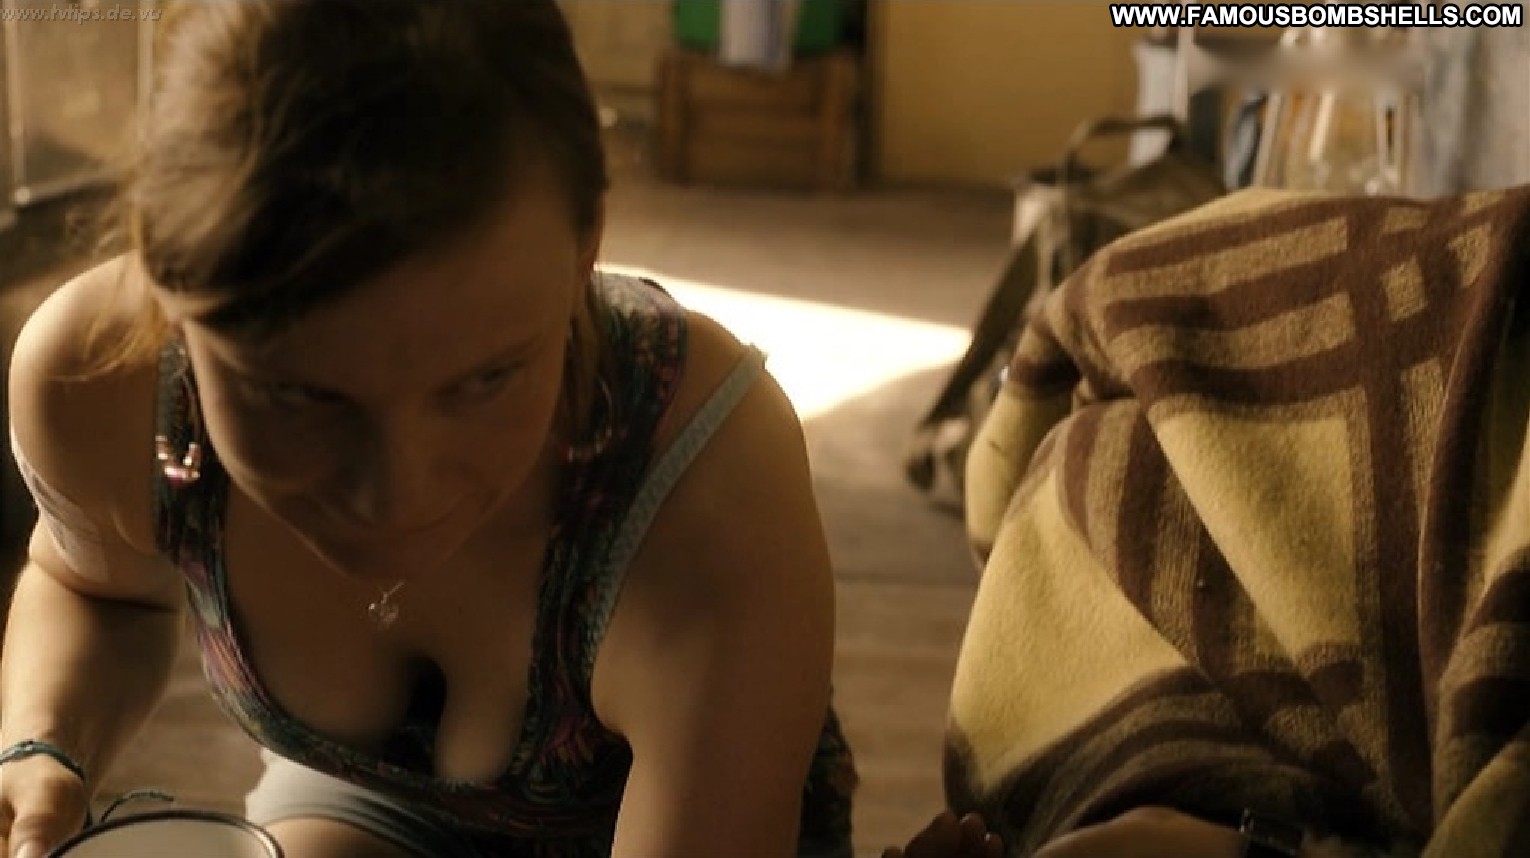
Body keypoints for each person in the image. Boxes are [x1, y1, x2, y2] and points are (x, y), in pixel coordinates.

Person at [0, 3, 859, 856]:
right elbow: (96, 588)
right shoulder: (98, 382)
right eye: (299, 396)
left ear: (587, 241)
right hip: (370, 809)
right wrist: (45, 746)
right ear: (164, 279)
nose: (398, 497)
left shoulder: (707, 490)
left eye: (488, 378)